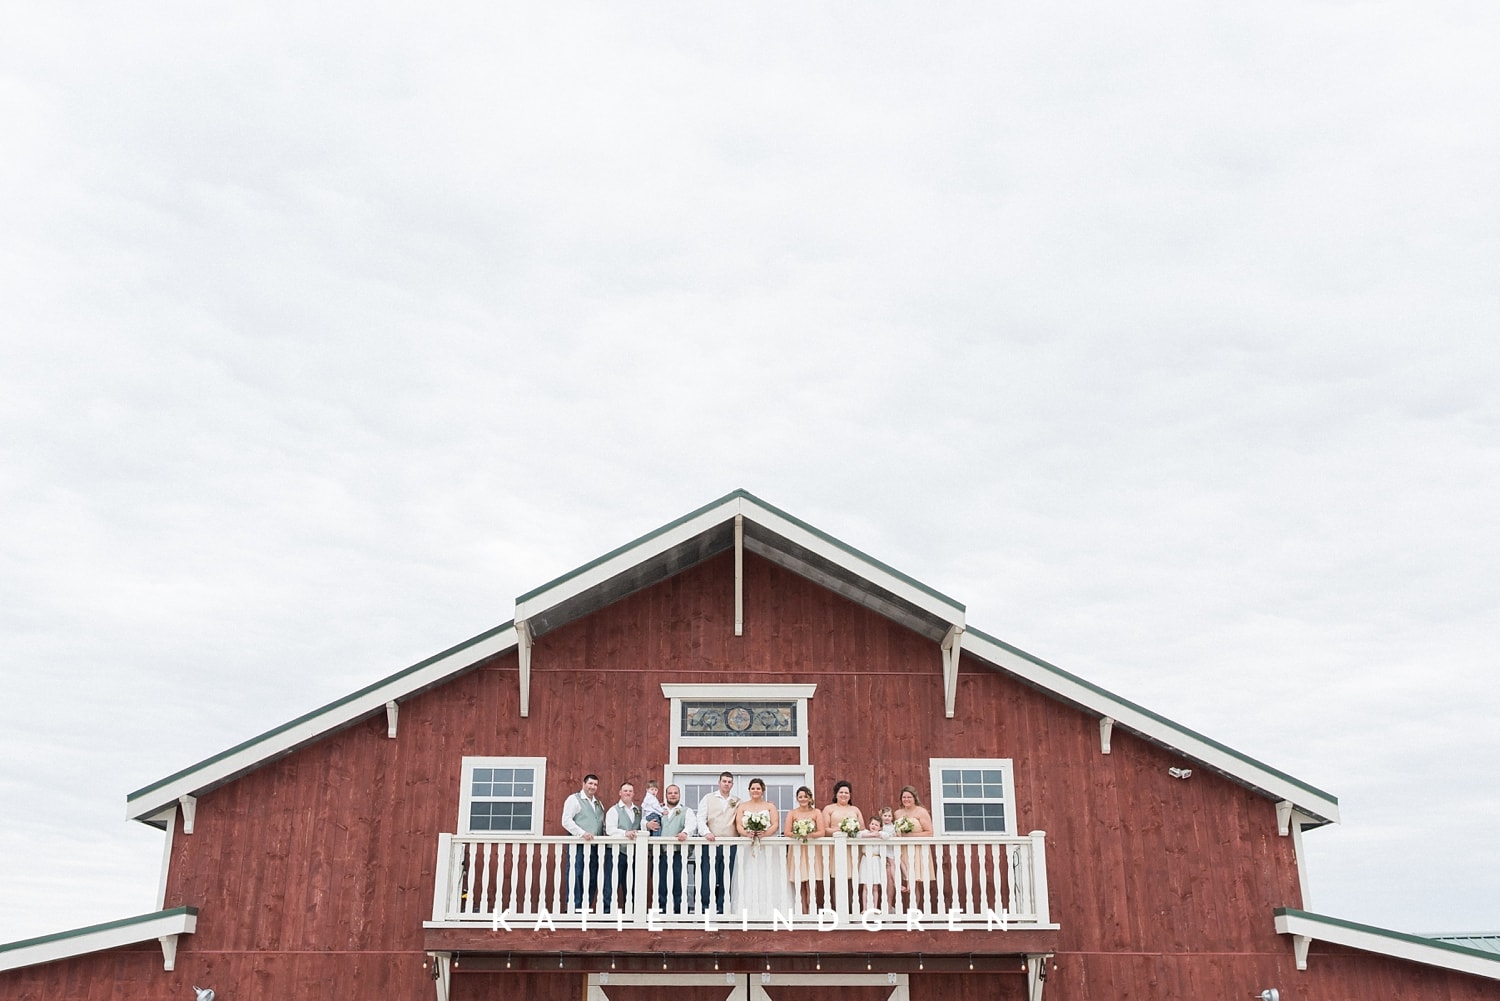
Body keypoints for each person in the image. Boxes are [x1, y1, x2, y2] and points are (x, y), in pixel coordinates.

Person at [732, 777, 786, 918]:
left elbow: (775, 824)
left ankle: (771, 908)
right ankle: (746, 909)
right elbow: (738, 825)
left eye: (758, 788)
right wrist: (747, 833)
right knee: (749, 873)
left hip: (767, 844)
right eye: (753, 788)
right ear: (749, 790)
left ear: (762, 790)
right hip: (748, 845)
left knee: (768, 873)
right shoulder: (742, 806)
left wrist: (764, 833)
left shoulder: (769, 806)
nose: (755, 791)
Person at [560, 773, 610, 912]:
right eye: (590, 784)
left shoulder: (599, 804)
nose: (593, 787)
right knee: (576, 875)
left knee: (592, 877)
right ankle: (573, 908)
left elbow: (602, 824)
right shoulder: (574, 799)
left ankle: (585, 907)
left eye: (595, 784)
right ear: (584, 784)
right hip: (579, 845)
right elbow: (566, 821)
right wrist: (582, 833)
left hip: (595, 847)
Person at [696, 771, 739, 913]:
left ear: (732, 784)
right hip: (711, 843)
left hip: (731, 845)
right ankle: (706, 907)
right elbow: (700, 818)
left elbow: (742, 820)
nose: (726, 784)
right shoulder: (708, 798)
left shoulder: (737, 801)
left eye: (729, 782)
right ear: (719, 782)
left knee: (727, 876)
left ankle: (723, 907)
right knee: (708, 876)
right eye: (724, 781)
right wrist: (706, 832)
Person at [821, 779, 864, 913]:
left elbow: (862, 828)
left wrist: (853, 831)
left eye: (846, 792)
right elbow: (824, 829)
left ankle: (851, 911)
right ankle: (838, 910)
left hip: (851, 849)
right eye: (841, 792)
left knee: (852, 880)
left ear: (850, 795)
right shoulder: (829, 809)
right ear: (836, 794)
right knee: (836, 879)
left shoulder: (855, 809)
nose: (844, 795)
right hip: (835, 848)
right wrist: (842, 831)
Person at [653, 784, 696, 913]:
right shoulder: (658, 810)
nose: (673, 795)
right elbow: (645, 821)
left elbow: (691, 825)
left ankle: (679, 910)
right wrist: (647, 824)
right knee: (661, 882)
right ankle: (662, 909)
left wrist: (685, 833)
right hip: (661, 853)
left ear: (679, 795)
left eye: (675, 793)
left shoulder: (686, 811)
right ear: (666, 795)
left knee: (678, 881)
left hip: (678, 853)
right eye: (670, 793)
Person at [783, 785, 825, 912]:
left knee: (811, 882)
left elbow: (821, 832)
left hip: (811, 850)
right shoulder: (792, 813)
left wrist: (809, 834)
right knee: (800, 881)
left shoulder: (816, 812)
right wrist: (799, 835)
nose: (803, 799)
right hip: (797, 850)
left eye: (805, 796)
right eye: (800, 797)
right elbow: (787, 832)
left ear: (810, 798)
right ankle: (803, 911)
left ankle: (812, 910)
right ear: (797, 798)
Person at [604, 781, 644, 911]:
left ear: (633, 794)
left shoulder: (638, 811)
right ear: (620, 793)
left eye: (630, 791)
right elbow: (610, 830)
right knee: (611, 882)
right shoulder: (613, 810)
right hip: (616, 852)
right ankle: (607, 911)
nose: (628, 793)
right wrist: (625, 833)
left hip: (633, 854)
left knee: (631, 883)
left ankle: (631, 911)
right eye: (625, 791)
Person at [894, 784, 935, 907]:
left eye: (909, 797)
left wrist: (909, 836)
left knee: (915, 880)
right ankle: (899, 908)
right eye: (904, 797)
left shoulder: (921, 812)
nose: (906, 799)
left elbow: (929, 833)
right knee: (905, 880)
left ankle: (915, 908)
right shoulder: (897, 813)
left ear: (914, 798)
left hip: (917, 849)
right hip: (902, 850)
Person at [857, 813, 894, 912]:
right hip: (865, 861)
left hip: (875, 861)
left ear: (880, 827)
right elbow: (858, 835)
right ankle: (864, 908)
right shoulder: (865, 832)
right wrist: (871, 835)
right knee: (865, 885)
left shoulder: (881, 834)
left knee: (875, 886)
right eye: (872, 824)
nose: (873, 826)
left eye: (876, 825)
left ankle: (874, 908)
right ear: (869, 824)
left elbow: (886, 836)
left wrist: (879, 834)